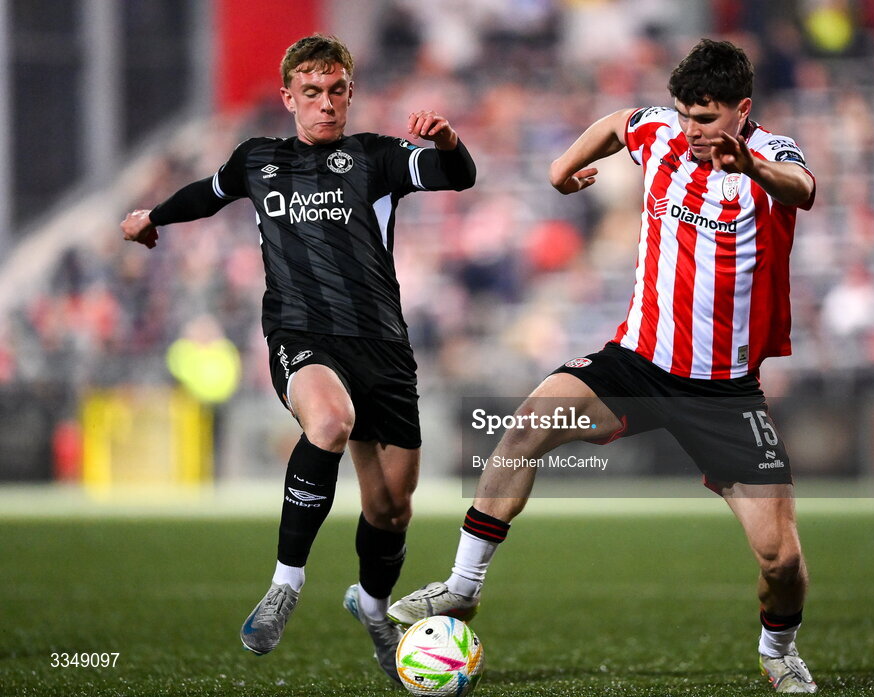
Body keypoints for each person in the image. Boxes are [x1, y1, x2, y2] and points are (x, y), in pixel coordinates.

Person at [387, 39, 817, 693]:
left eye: (706, 118)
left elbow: (804, 189)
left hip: (723, 391)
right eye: (685, 115)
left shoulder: (774, 153)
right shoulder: (661, 131)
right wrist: (564, 169)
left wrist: (751, 168)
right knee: (525, 426)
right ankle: (462, 587)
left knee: (781, 559)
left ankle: (777, 649)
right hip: (636, 363)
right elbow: (619, 123)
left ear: (742, 110)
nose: (692, 131)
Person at [120, 34, 475, 684]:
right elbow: (210, 191)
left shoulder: (375, 157)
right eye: (311, 92)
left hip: (384, 347)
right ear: (288, 97)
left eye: (337, 90)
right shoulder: (259, 160)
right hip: (301, 333)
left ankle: (370, 604)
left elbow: (458, 175)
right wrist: (155, 217)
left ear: (350, 92)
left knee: (392, 507)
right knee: (329, 422)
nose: (326, 103)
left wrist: (447, 140)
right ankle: (286, 582)